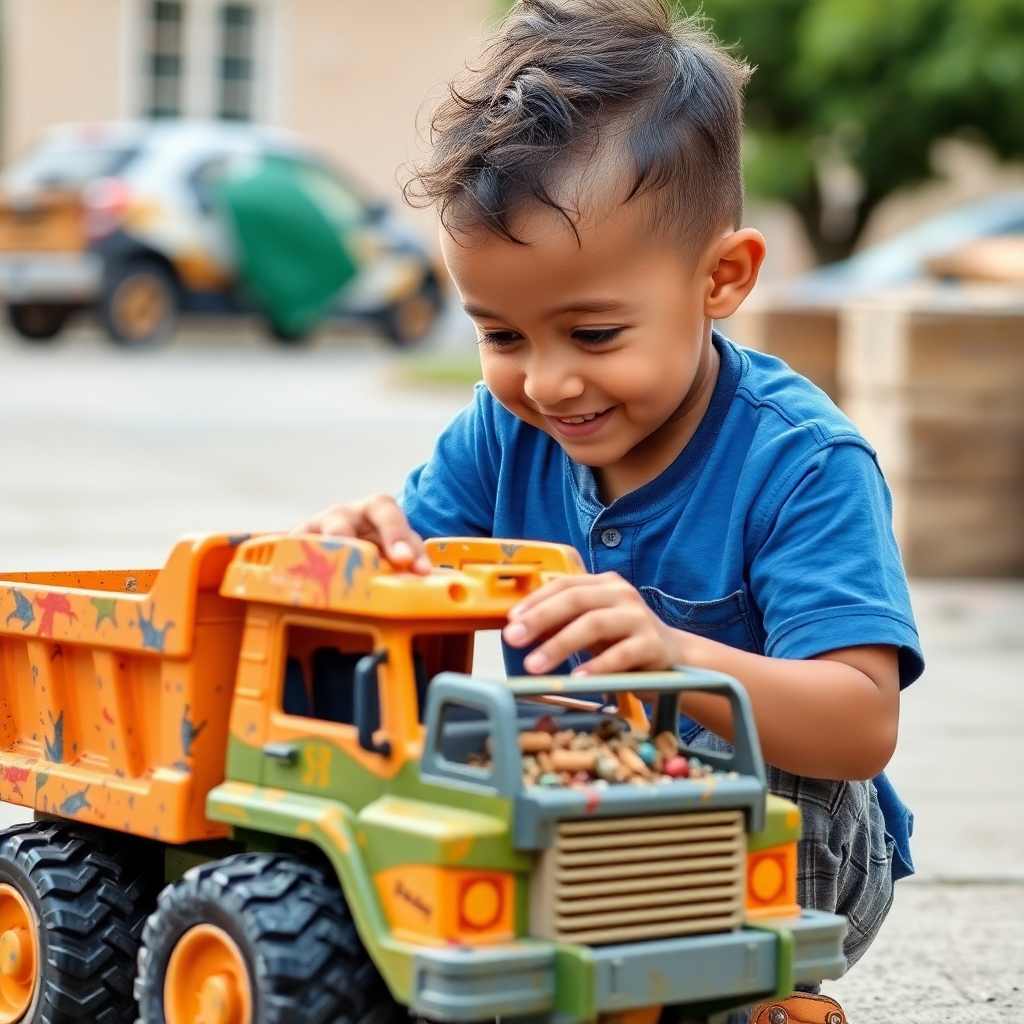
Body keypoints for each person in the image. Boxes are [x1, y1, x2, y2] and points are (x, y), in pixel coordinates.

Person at [299, 2, 922, 1020]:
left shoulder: (799, 460)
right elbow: (409, 586)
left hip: (784, 836)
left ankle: (753, 985)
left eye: (592, 333)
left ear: (720, 279)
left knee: (752, 794)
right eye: (500, 334)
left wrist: (682, 658)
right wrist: (350, 560)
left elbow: (860, 723)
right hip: (576, 811)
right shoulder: (501, 435)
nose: (546, 383)